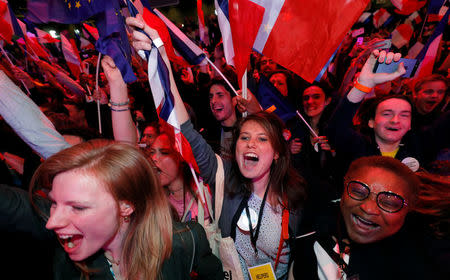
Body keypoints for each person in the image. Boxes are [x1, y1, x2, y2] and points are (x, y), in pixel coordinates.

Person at [127, 15, 307, 279]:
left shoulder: (295, 193)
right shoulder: (224, 178)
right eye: (244, 137)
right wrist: (161, 59)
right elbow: (185, 129)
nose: (250, 144)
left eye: (261, 138)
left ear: (278, 151)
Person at [0, 139, 223, 279]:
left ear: (125, 206)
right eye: (55, 203)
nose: (52, 222)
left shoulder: (186, 241)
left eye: (77, 207)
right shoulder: (67, 264)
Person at [292, 156, 430, 280]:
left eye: (388, 202)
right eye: (358, 191)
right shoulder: (309, 241)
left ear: (410, 208)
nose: (368, 208)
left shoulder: (421, 263)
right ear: (344, 187)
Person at [327, 49, 450, 178]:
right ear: (371, 122)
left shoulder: (420, 147)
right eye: (387, 113)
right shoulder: (357, 145)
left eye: (404, 115)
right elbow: (335, 128)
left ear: (410, 125)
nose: (395, 120)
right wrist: (363, 85)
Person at [150, 132, 210, 222]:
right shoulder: (154, 197)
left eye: (164, 153)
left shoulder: (202, 193)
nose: (154, 157)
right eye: (152, 152)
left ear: (181, 157)